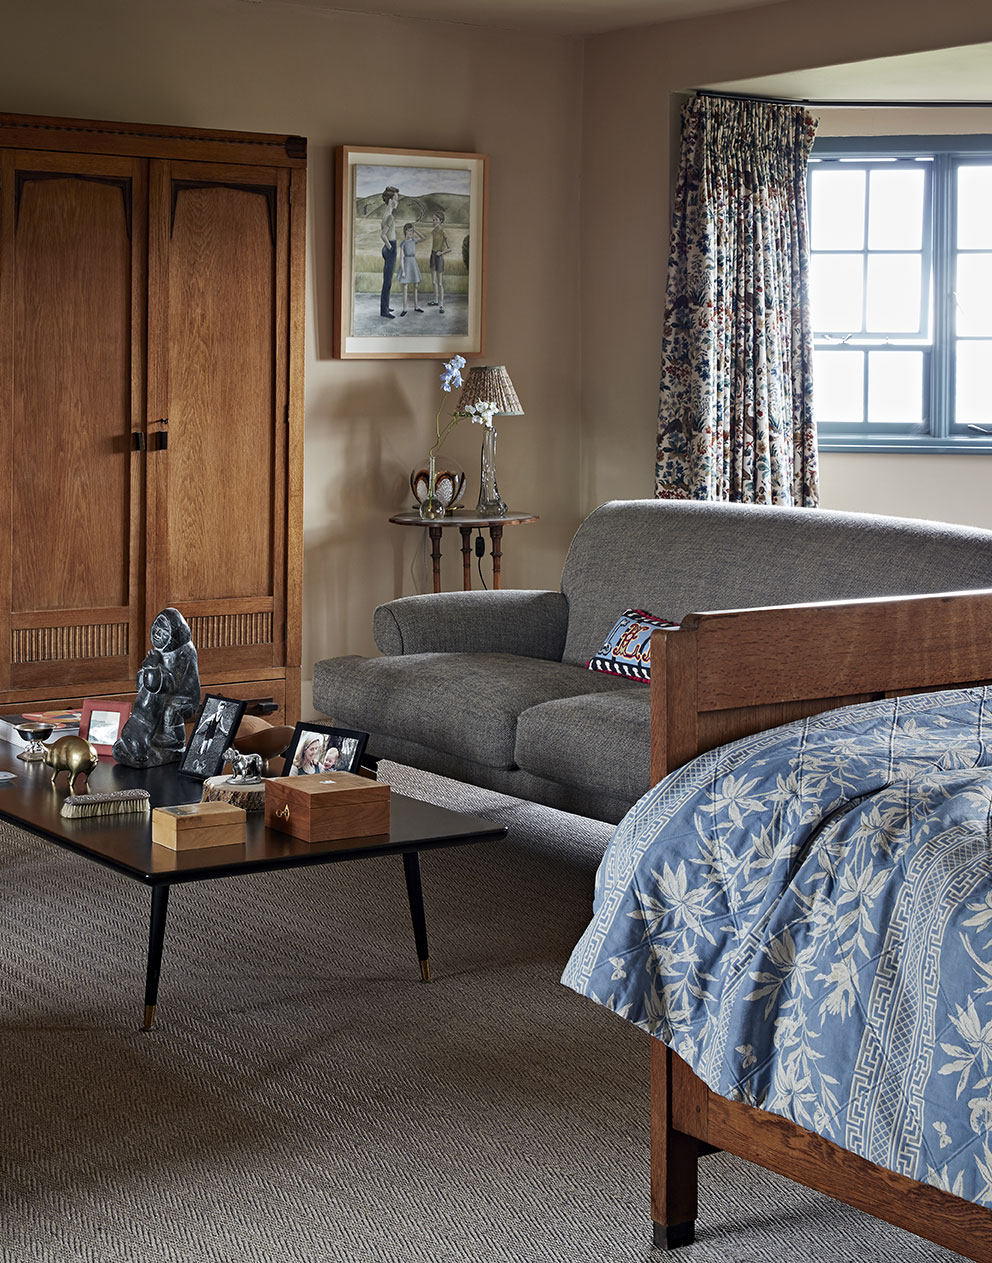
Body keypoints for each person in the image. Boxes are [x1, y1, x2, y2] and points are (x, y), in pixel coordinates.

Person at [379, 186, 399, 319]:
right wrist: (390, 247)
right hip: (390, 247)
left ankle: (386, 306)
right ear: (391, 200)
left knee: (387, 280)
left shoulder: (386, 214)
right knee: (387, 282)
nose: (398, 202)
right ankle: (384, 311)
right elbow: (383, 235)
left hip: (388, 248)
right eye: (396, 199)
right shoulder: (390, 217)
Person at [397, 223, 425, 316]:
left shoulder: (414, 240)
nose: (410, 233)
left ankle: (416, 306)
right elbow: (401, 258)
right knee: (405, 287)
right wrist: (403, 271)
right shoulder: (403, 243)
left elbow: (423, 238)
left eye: (411, 231)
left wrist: (415, 230)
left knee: (416, 286)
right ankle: (404, 308)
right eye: (409, 230)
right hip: (406, 264)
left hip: (413, 264)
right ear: (405, 231)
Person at [427, 211, 451, 314]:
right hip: (432, 255)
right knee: (433, 281)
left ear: (441, 221)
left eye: (436, 220)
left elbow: (450, 248)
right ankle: (435, 300)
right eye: (433, 220)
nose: (434, 221)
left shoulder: (443, 232)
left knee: (440, 282)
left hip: (439, 257)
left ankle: (441, 304)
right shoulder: (433, 231)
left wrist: (441, 253)